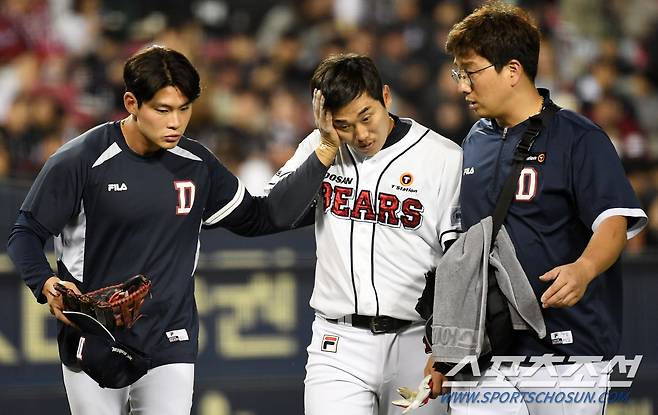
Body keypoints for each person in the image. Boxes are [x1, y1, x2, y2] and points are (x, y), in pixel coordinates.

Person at [6, 45, 341, 415]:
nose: (176, 122)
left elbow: (262, 217)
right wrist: (46, 284)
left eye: (184, 109)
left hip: (170, 336)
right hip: (95, 333)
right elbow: (25, 233)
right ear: (132, 102)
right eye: (163, 109)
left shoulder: (197, 164)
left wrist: (324, 154)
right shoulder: (81, 160)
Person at [424, 2, 648, 414]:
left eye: (469, 72)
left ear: (512, 70)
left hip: (569, 349)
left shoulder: (578, 138)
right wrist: (447, 348)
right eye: (459, 74)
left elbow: (613, 223)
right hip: (490, 349)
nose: (461, 86)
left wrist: (584, 268)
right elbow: (468, 253)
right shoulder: (474, 140)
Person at [266, 53, 463, 414]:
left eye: (366, 117)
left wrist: (446, 347)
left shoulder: (442, 157)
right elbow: (277, 212)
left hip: (416, 339)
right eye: (343, 125)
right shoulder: (319, 148)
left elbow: (458, 261)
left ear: (386, 97)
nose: (360, 134)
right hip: (338, 341)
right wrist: (326, 146)